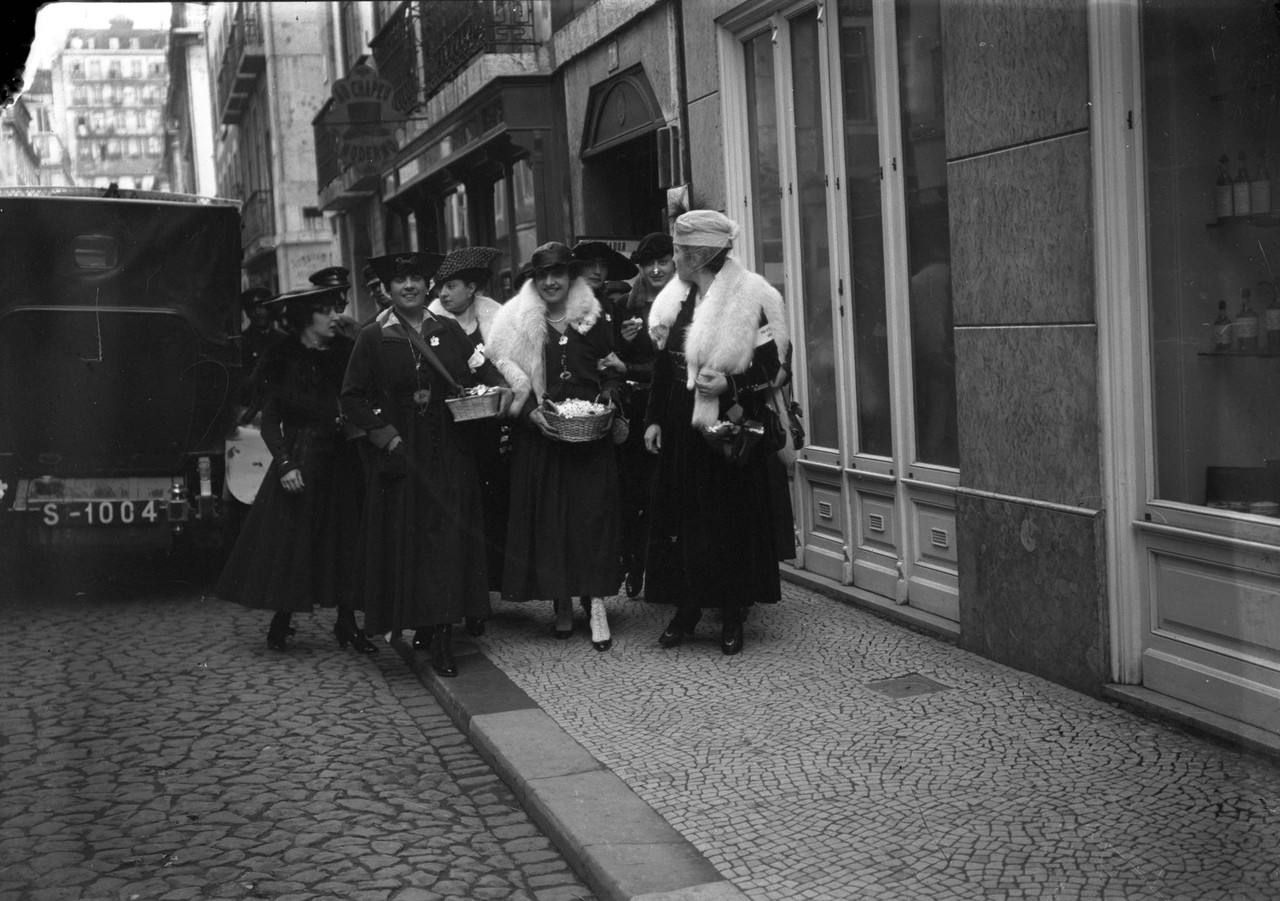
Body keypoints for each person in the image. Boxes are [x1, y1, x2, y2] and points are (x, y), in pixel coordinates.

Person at [341, 251, 513, 677]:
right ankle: (424, 624)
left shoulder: (448, 329)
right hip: (404, 454)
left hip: (449, 448)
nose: (409, 287)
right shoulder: (374, 336)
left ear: (428, 285)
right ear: (387, 289)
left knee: (447, 543)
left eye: (416, 278)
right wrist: (387, 437)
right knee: (415, 544)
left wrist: (502, 388)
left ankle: (441, 638)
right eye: (399, 281)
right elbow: (351, 398)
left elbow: (481, 367)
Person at [643, 211, 791, 656]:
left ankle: (731, 614)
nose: (675, 258)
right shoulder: (676, 298)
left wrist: (732, 384)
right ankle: (686, 609)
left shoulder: (754, 295)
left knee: (728, 524)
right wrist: (652, 418)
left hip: (728, 428)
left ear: (701, 253)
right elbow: (664, 368)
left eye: (680, 251)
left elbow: (775, 367)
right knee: (682, 522)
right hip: (680, 427)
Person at [215, 286, 375, 655]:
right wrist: (285, 464)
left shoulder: (345, 354)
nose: (335, 316)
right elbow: (270, 421)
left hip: (342, 460)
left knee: (345, 540)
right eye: (325, 311)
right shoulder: (283, 359)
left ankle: (347, 623)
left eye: (336, 309)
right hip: (300, 460)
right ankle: (282, 618)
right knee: (294, 542)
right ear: (306, 319)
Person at [486, 241, 623, 652]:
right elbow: (503, 375)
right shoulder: (516, 322)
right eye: (542, 275)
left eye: (558, 274)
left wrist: (610, 398)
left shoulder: (593, 318)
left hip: (589, 437)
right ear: (534, 279)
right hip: (542, 436)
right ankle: (561, 602)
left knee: (591, 519)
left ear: (571, 276)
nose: (550, 282)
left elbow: (610, 372)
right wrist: (528, 412)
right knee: (552, 522)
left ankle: (595, 603)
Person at [427, 246, 510, 625]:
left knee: (493, 509)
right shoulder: (432, 324)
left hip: (493, 430)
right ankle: (469, 601)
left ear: (472, 288)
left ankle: (489, 591)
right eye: (441, 286)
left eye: (452, 286)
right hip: (452, 433)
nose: (444, 293)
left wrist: (507, 393)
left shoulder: (497, 317)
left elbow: (502, 370)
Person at [599, 232, 673, 598]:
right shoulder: (627, 305)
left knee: (667, 493)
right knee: (636, 493)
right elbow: (612, 360)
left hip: (673, 408)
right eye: (648, 264)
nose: (656, 270)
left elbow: (670, 366)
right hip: (638, 409)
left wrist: (630, 362)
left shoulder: (685, 300)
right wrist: (625, 346)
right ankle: (635, 564)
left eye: (663, 261)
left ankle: (663, 570)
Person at [309, 265, 361, 341]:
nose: (343, 298)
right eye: (336, 293)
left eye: (345, 292)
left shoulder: (352, 326)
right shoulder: (312, 327)